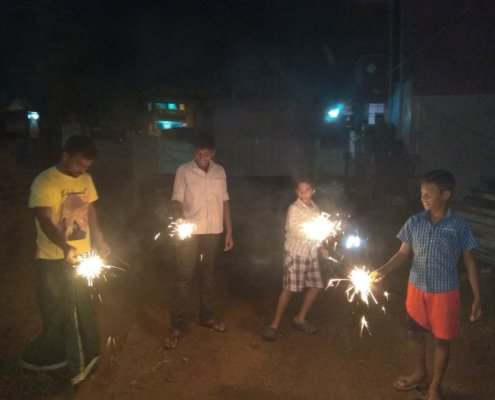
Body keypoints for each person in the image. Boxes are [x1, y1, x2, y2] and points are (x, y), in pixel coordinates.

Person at [372, 170, 481, 400]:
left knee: (442, 340)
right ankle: (420, 372)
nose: (424, 198)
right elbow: (402, 254)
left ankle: (435, 386)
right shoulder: (415, 221)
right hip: (416, 289)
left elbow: (470, 261)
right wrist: (383, 270)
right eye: (422, 194)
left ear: (446, 194)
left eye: (429, 194)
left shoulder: (458, 225)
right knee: (415, 333)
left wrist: (477, 296)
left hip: (445, 292)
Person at [19, 135, 111, 385]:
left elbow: (90, 210)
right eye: (79, 165)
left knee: (79, 308)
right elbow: (44, 219)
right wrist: (64, 247)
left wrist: (100, 239)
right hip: (52, 259)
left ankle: (78, 357)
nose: (82, 171)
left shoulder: (86, 180)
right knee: (58, 310)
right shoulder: (45, 181)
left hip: (81, 258)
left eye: (86, 167)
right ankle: (57, 356)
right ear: (66, 154)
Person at [165, 133, 234, 349]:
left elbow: (225, 203)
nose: (203, 157)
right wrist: (179, 217)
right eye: (199, 153)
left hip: (213, 231)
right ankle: (177, 325)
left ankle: (207, 317)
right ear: (193, 153)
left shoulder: (220, 171)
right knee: (184, 277)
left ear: (212, 153)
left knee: (208, 275)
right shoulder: (184, 171)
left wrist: (229, 232)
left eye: (207, 153)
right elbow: (176, 199)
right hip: (190, 231)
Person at [263, 178, 324, 341]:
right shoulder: (294, 208)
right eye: (300, 190)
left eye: (307, 190)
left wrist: (322, 247)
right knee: (289, 289)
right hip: (296, 253)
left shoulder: (316, 208)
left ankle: (299, 319)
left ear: (314, 191)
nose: (303, 193)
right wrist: (311, 231)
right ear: (297, 192)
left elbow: (321, 231)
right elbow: (293, 229)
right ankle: (274, 324)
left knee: (317, 286)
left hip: (311, 254)